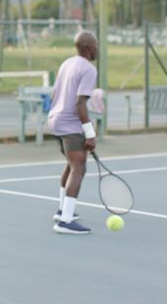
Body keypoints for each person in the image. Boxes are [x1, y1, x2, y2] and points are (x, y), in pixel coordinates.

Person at [47, 30, 99, 235]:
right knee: (79, 167)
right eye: (95, 44)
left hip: (55, 121)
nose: (97, 48)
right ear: (88, 47)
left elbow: (54, 94)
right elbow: (80, 104)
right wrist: (90, 133)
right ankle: (65, 221)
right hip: (70, 124)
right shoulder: (88, 69)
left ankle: (62, 211)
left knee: (72, 164)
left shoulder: (67, 63)